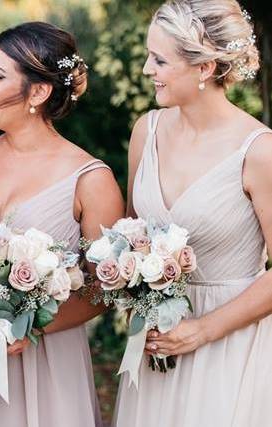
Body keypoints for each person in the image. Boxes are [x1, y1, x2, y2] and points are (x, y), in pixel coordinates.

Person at [0, 21, 124, 427]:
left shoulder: (90, 180)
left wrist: (28, 328)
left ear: (39, 92)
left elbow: (102, 291)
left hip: (45, 360)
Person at [115, 1, 272, 426]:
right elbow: (132, 235)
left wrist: (202, 331)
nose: (148, 69)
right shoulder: (145, 132)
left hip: (229, 345)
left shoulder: (258, 151)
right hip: (155, 342)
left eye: (160, 60)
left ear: (204, 68)